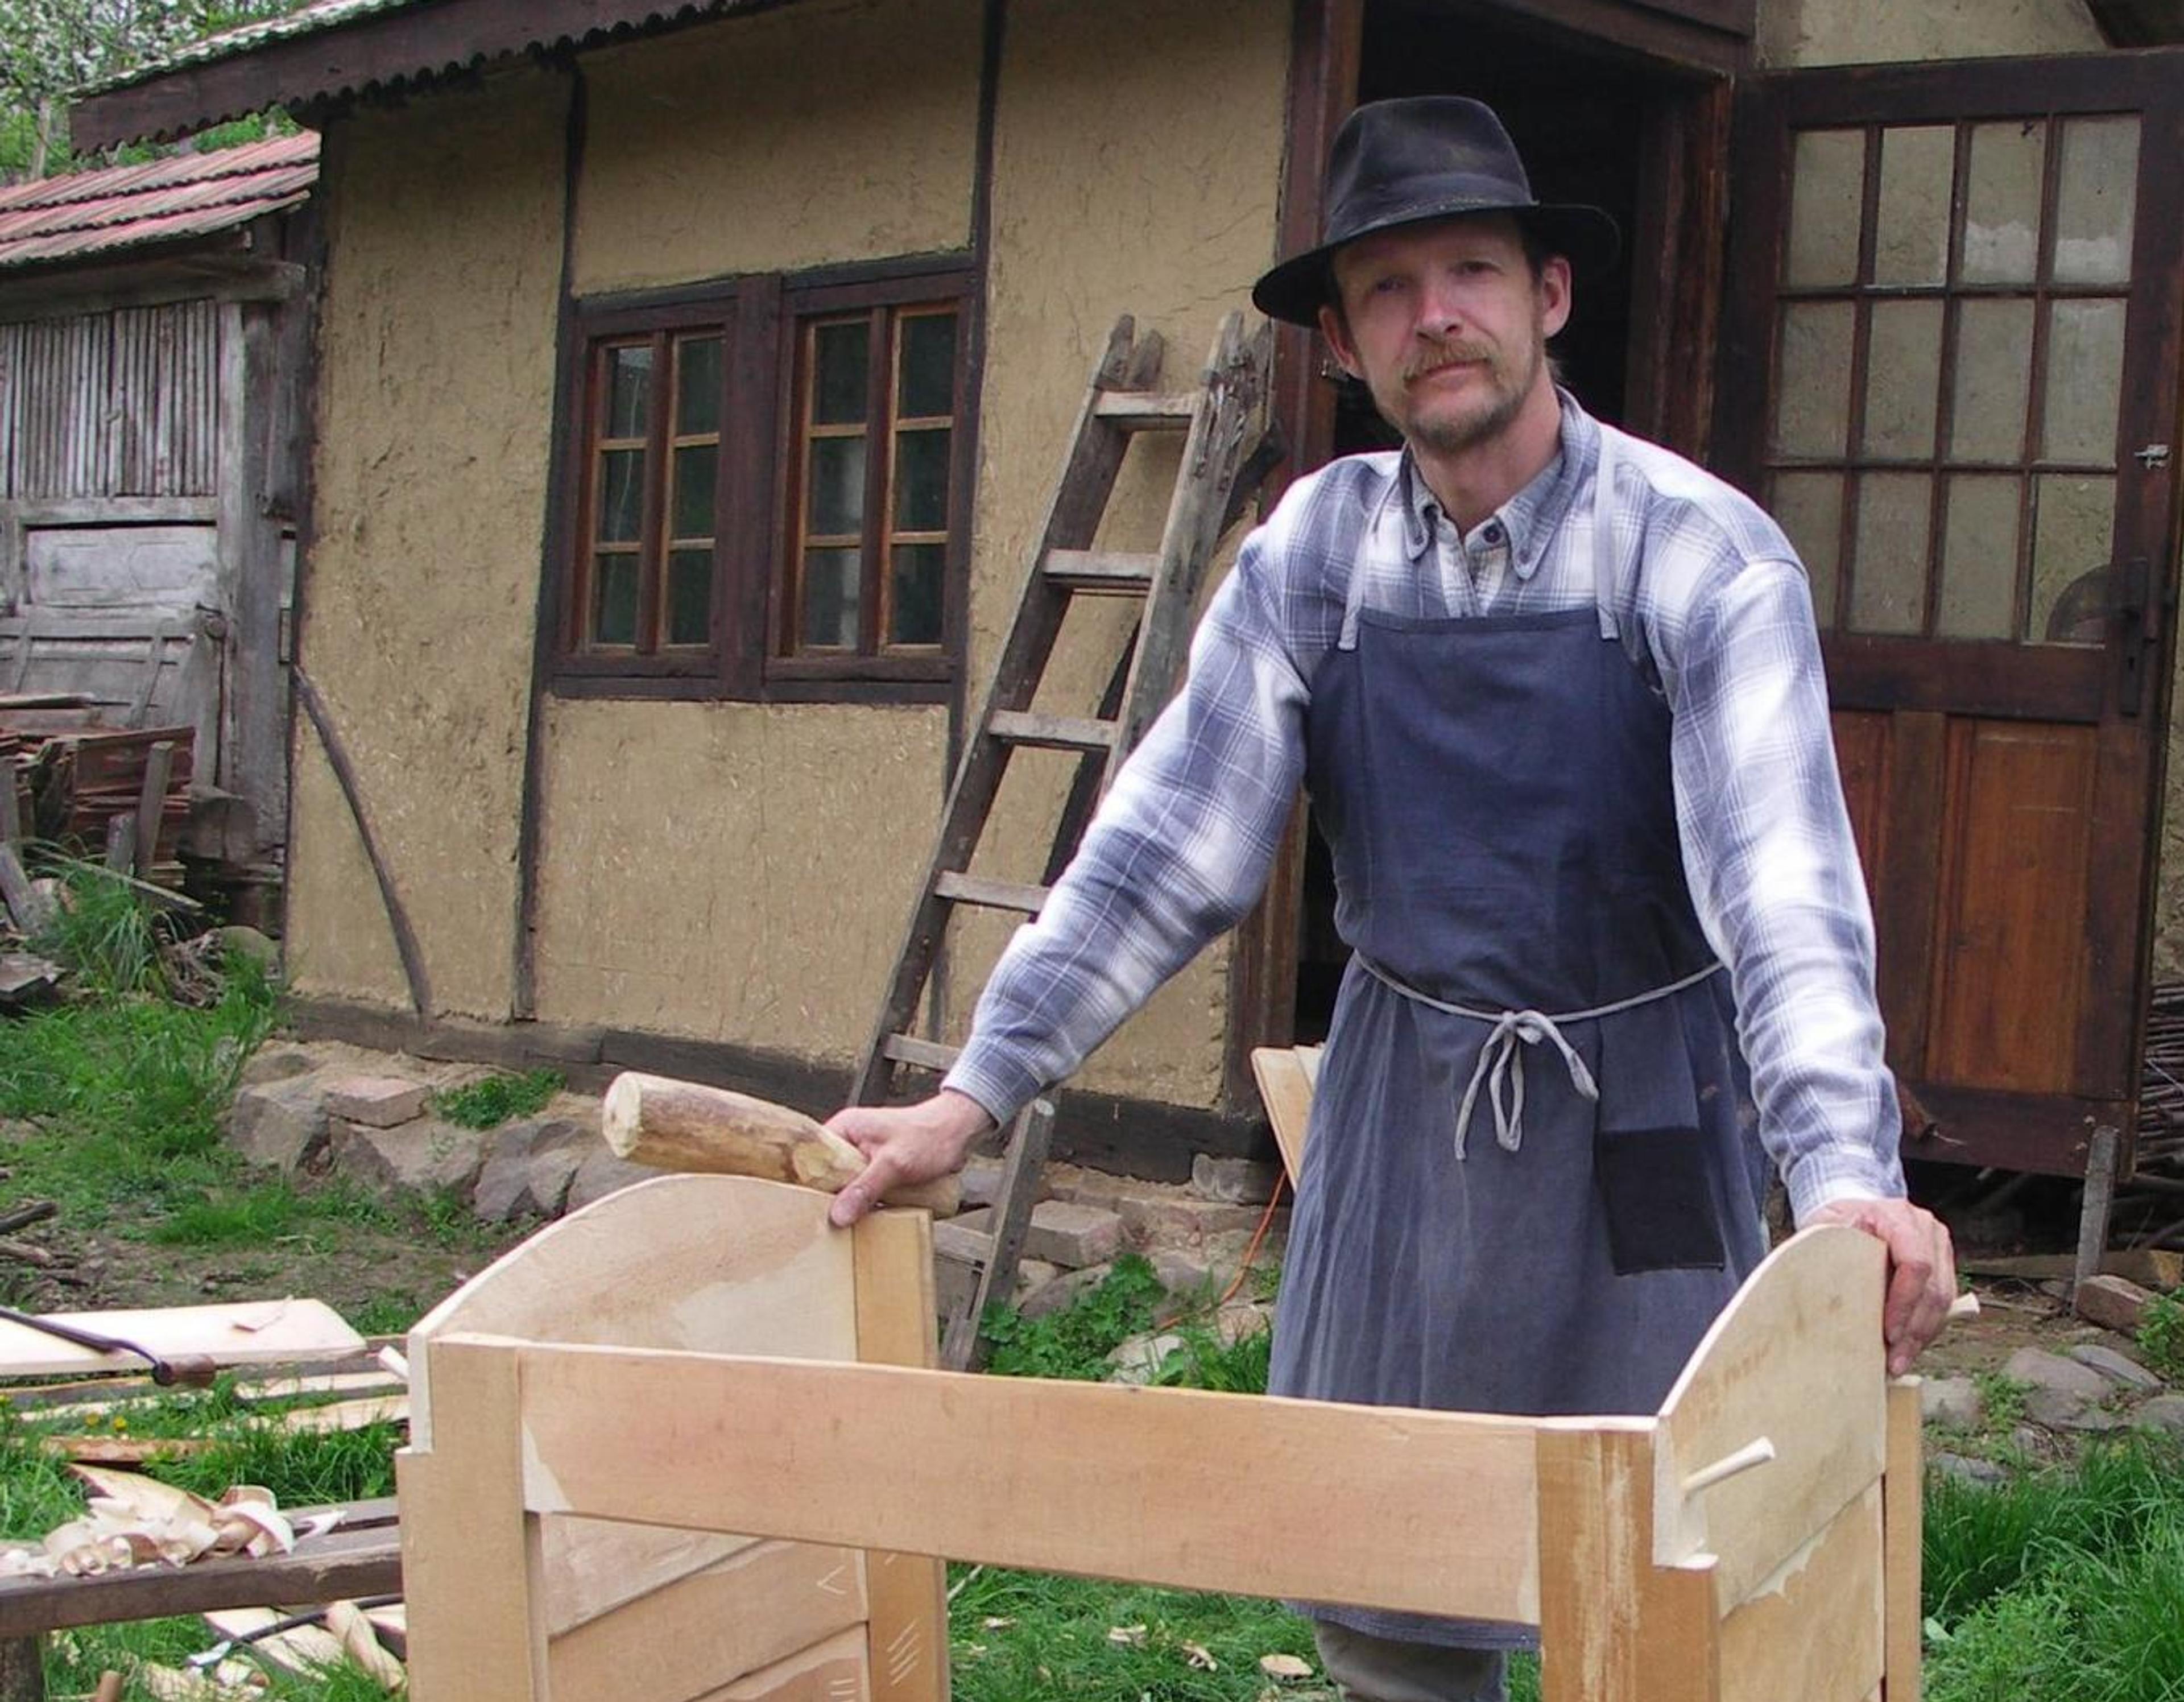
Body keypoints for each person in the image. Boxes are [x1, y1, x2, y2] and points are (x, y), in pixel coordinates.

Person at [824, 96, 1956, 1702]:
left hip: (1638, 1118)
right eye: (1388, 290)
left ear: (1548, 296)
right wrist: (975, 1089)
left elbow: (1784, 895)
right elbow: (1167, 848)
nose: (1438, 316)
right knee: (1385, 1585)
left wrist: (1845, 1178)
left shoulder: (1699, 558)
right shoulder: (1316, 557)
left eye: (1474, 271)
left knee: (1671, 1569)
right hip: (1399, 1123)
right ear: (1349, 345)